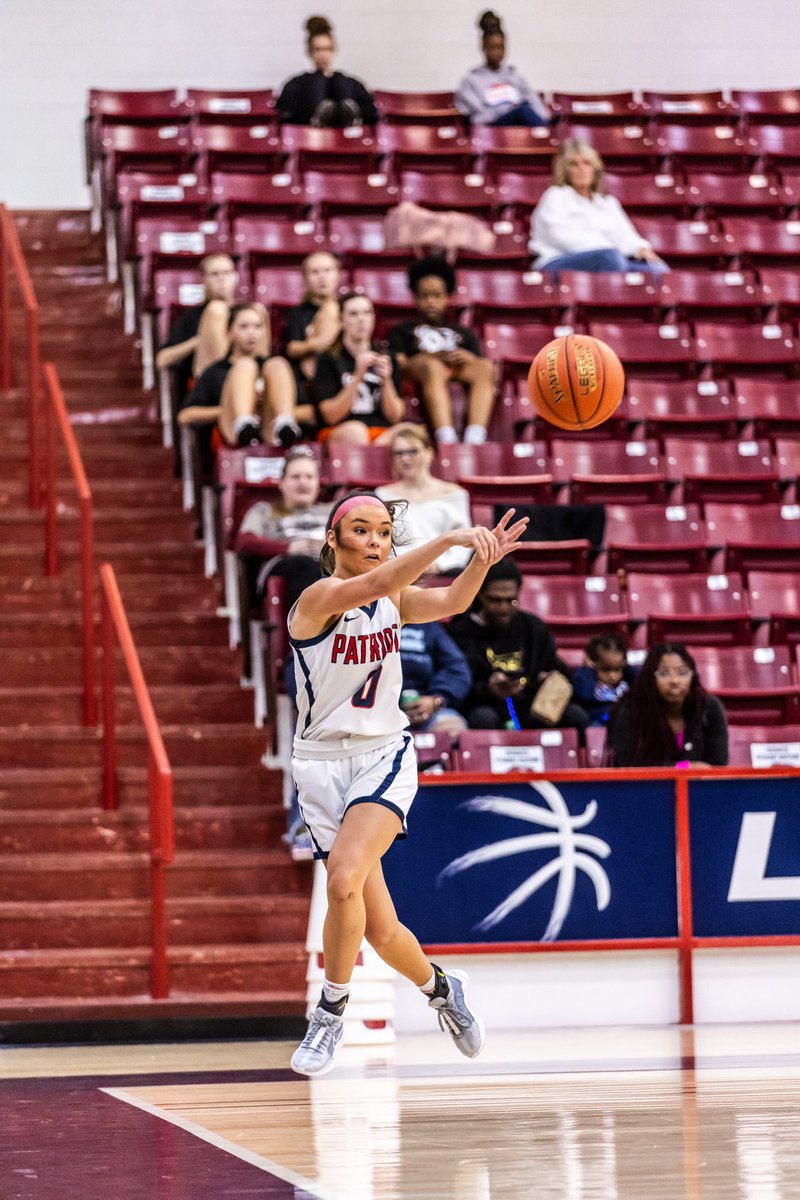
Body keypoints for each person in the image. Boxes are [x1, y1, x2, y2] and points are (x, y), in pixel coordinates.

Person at [288, 491, 528, 1075]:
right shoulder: (317, 598)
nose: (375, 542)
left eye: (382, 534)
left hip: (382, 754)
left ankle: (328, 1016)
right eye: (362, 532)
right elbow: (372, 586)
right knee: (381, 929)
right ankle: (444, 989)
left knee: (343, 876)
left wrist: (479, 561)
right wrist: (446, 540)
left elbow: (449, 600)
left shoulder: (392, 594)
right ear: (332, 541)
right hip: (320, 764)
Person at [448, 558, 589, 733]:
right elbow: (457, 683)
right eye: (495, 600)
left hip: (532, 706)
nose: (504, 608)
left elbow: (557, 668)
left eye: (511, 600)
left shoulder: (533, 627)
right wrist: (488, 689)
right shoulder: (462, 630)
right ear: (480, 594)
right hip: (486, 706)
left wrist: (548, 678)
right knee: (482, 718)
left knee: (575, 715)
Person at [388, 257, 497, 445]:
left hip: (456, 369)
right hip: (423, 371)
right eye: (424, 296)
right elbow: (399, 362)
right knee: (433, 367)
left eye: (437, 296)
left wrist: (467, 358)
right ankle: (446, 437)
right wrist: (431, 357)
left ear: (448, 297)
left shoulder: (463, 333)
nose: (431, 302)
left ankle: (475, 437)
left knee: (486, 367)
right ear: (414, 297)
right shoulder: (402, 330)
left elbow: (478, 361)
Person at [529, 139, 669, 275]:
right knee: (610, 258)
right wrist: (607, 248)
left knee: (659, 269)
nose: (581, 169)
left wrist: (640, 248)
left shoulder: (608, 203)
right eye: (574, 164)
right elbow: (559, 237)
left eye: (587, 163)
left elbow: (625, 235)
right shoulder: (555, 196)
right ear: (565, 170)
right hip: (558, 260)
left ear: (594, 168)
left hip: (612, 259)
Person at [176, 304, 301, 447]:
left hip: (270, 427)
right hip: (233, 429)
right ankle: (244, 423)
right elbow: (185, 415)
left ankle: (284, 421)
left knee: (278, 364)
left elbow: (309, 411)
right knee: (245, 366)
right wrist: (233, 406)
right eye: (244, 327)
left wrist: (269, 402)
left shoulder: (274, 368)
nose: (251, 333)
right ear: (229, 332)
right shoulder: (216, 371)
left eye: (257, 326)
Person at [156, 253, 262, 402]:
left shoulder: (246, 312)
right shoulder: (193, 315)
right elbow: (163, 359)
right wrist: (200, 340)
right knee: (216, 309)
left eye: (227, 272)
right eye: (214, 274)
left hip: (246, 376)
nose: (221, 279)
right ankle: (228, 385)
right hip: (209, 384)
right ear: (203, 279)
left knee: (258, 310)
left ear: (235, 276)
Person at [609, 642, 728, 768]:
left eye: (682, 672)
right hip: (644, 787)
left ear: (692, 675)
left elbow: (718, 765)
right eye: (664, 673)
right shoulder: (629, 710)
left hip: (700, 787)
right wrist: (684, 767)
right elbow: (627, 766)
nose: (674, 681)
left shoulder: (709, 708)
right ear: (650, 678)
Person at [376, 424, 473, 574]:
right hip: (400, 572)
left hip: (447, 571)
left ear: (429, 453)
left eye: (412, 451)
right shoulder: (383, 495)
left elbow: (463, 543)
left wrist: (440, 565)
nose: (405, 458)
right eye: (398, 453)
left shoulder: (455, 494)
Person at [311, 293, 404, 444]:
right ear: (341, 321)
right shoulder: (329, 359)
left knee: (410, 432)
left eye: (367, 313)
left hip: (380, 431)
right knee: (356, 431)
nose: (361, 319)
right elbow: (331, 416)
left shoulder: (387, 358)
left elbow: (395, 417)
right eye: (353, 314)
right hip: (340, 430)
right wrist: (358, 376)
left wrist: (386, 380)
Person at [277, 15, 378, 127]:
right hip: (308, 134)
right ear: (310, 52)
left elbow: (371, 112)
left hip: (347, 136)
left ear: (333, 50)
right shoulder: (296, 84)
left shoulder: (349, 83)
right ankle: (318, 116)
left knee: (339, 81)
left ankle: (347, 118)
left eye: (326, 49)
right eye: (317, 49)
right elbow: (285, 113)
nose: (322, 55)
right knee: (317, 80)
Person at [455, 10, 549, 128]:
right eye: (492, 47)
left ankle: (545, 136)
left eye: (500, 47)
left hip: (520, 123)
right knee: (523, 111)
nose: (497, 52)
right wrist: (506, 111)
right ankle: (546, 137)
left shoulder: (516, 78)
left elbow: (538, 108)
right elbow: (478, 116)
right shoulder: (470, 81)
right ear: (483, 47)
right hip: (493, 127)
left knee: (528, 111)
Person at [399, 621, 470, 741]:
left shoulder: (429, 626)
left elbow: (457, 669)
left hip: (426, 707)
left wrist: (436, 700)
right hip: (377, 710)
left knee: (452, 729)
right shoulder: (368, 624)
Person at [571, 634, 638, 727]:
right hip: (598, 723)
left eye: (617, 669)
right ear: (593, 664)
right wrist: (589, 669)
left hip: (626, 722)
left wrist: (626, 666)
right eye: (606, 670)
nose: (612, 675)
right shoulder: (588, 680)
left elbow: (643, 681)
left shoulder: (627, 678)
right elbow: (583, 694)